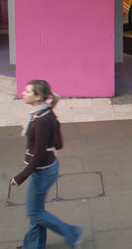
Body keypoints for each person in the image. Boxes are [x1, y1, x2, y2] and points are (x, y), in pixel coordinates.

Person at [11, 80, 83, 249]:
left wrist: (20, 177)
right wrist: (32, 129)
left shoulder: (42, 119)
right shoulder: (42, 114)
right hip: (47, 169)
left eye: (27, 91)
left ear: (37, 97)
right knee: (37, 211)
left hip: (41, 172)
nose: (23, 93)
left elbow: (39, 155)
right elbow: (58, 144)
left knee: (34, 212)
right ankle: (33, 246)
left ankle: (73, 233)